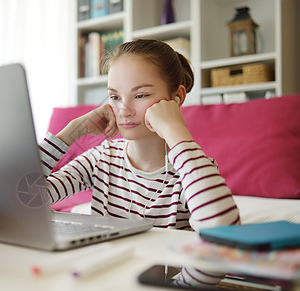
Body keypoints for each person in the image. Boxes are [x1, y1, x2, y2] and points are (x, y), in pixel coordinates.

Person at [39, 39, 240, 231]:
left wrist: (174, 129)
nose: (124, 110)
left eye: (140, 95)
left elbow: (224, 228)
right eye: (115, 97)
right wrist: (73, 130)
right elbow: (23, 198)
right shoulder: (101, 159)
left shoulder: (192, 168)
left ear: (176, 97)